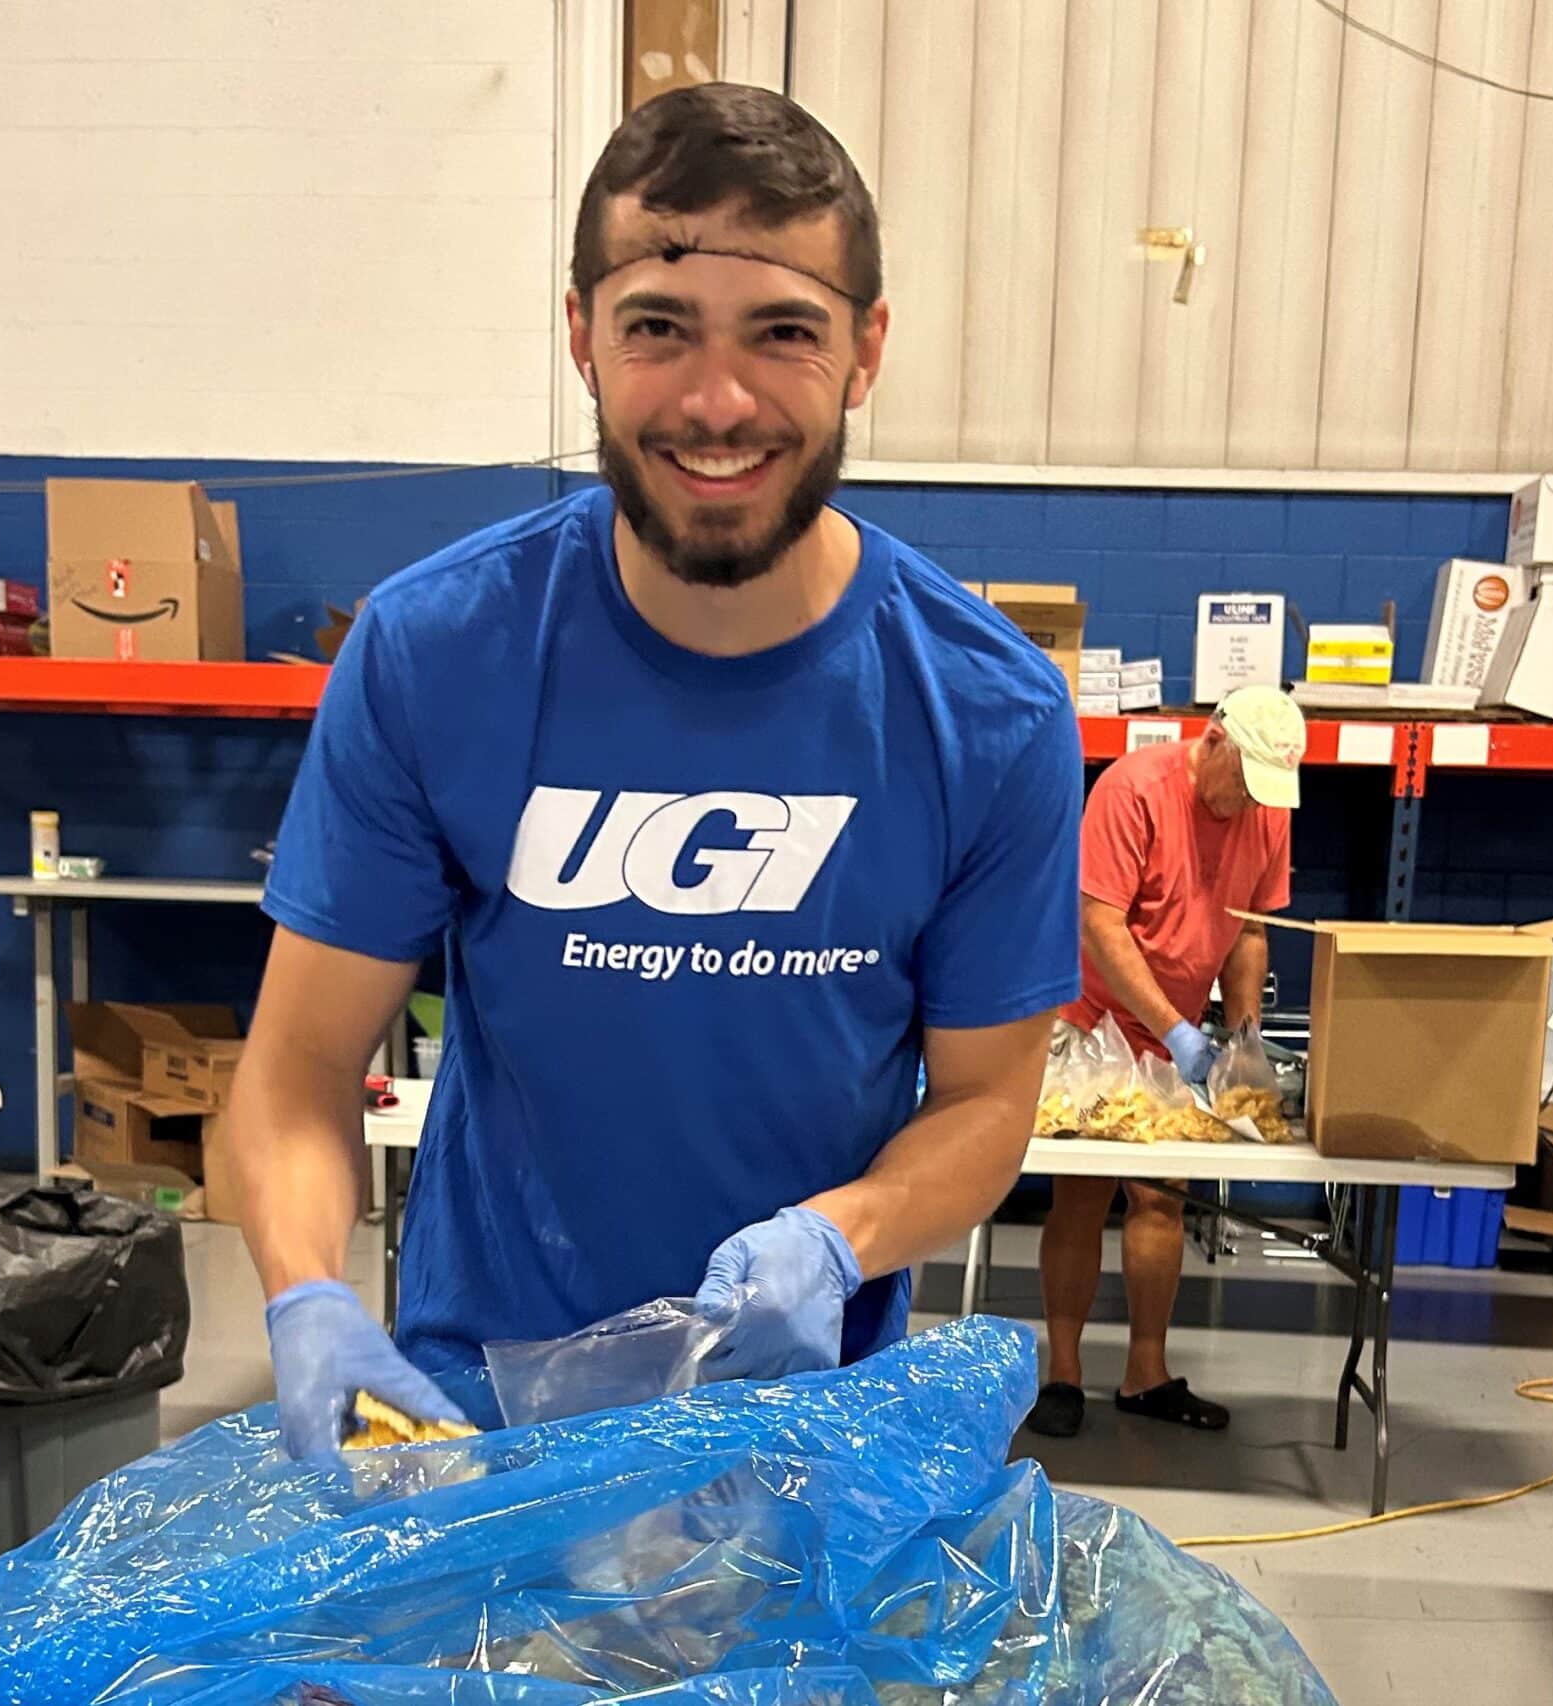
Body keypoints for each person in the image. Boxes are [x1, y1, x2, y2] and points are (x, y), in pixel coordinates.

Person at [225, 82, 1084, 1460]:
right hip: (469, 1428)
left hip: (796, 1437)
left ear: (865, 350)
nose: (717, 399)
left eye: (784, 334)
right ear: (581, 337)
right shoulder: (435, 654)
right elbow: (301, 1064)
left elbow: (988, 1104)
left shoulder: (988, 710)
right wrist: (312, 1291)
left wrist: (837, 1235)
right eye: (658, 329)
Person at [1026, 686, 1305, 1439]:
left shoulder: (1266, 807)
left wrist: (1242, 1035)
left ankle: (1146, 1373)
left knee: (1161, 1199)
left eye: (1264, 790)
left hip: (1172, 1025)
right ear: (1213, 740)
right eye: (1242, 779)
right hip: (1090, 1019)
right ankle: (1063, 1373)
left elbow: (1249, 932)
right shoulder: (1133, 789)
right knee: (1081, 1197)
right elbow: (1100, 924)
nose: (1249, 800)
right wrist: (1176, 1031)